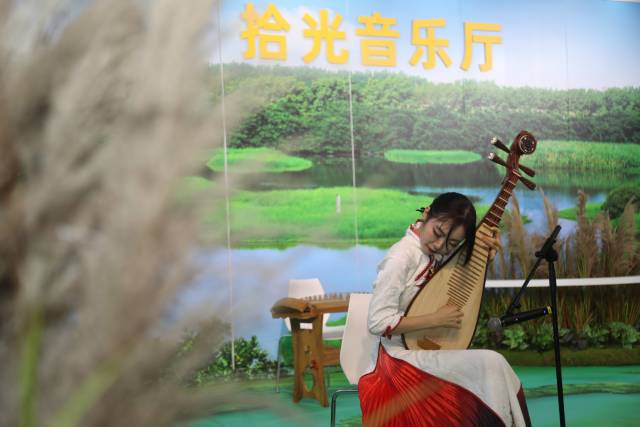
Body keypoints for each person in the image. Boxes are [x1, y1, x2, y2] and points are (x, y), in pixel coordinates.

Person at [358, 192, 531, 427]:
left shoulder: (434, 254)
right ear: (427, 213)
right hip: (395, 358)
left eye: (451, 244)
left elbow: (452, 281)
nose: (439, 246)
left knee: (493, 365)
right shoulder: (401, 258)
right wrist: (436, 319)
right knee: (492, 363)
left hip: (422, 348)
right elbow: (378, 322)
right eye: (438, 232)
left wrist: (483, 257)